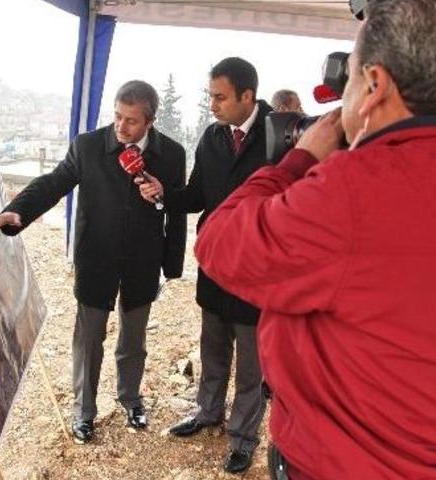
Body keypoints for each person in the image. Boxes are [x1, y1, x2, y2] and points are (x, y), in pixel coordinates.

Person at [192, 1, 436, 478]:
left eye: (350, 80)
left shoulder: (353, 190)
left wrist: (300, 160)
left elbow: (219, 243)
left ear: (375, 87)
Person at [0, 80, 187, 444]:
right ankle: (85, 410)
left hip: (143, 258)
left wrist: (171, 256)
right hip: (97, 257)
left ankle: (131, 399)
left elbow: (177, 210)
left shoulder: (171, 154)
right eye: (117, 117)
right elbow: (54, 182)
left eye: (132, 121)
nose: (121, 127)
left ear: (150, 122)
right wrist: (18, 212)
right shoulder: (89, 146)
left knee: (134, 338)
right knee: (89, 338)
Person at [137, 57, 272, 474]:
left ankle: (244, 439)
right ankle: (207, 412)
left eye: (220, 97)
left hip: (258, 269)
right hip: (215, 264)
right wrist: (165, 195)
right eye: (209, 96)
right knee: (213, 347)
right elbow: (197, 195)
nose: (212, 105)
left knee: (252, 362)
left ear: (247, 96)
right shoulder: (212, 138)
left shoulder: (280, 138)